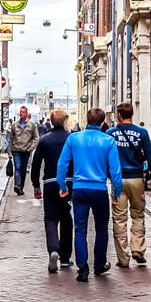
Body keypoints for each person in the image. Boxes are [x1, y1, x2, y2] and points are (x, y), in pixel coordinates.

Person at [57, 107, 122, 282]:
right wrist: (116, 192)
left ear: (86, 120)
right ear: (102, 123)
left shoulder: (74, 138)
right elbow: (115, 171)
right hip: (99, 190)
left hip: (79, 189)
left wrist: (62, 185)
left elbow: (62, 164)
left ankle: (83, 269)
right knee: (101, 229)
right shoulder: (108, 141)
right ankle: (99, 265)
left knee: (80, 230)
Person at [106, 101, 151, 268]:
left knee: (119, 219)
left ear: (119, 115)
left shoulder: (110, 134)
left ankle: (123, 258)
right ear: (131, 114)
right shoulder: (141, 133)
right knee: (138, 215)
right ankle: (138, 250)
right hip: (136, 179)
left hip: (118, 180)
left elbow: (105, 158)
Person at [31, 109, 73, 273]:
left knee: (50, 219)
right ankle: (65, 257)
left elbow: (36, 164)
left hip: (49, 183)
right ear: (64, 122)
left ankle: (53, 249)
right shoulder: (71, 139)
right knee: (67, 219)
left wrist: (35, 185)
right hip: (69, 183)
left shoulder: (44, 140)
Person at [5, 105, 40, 194]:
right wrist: (10, 150)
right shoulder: (14, 124)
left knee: (23, 169)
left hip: (26, 151)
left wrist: (31, 148)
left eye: (23, 112)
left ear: (26, 113)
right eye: (20, 112)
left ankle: (21, 187)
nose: (21, 113)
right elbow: (11, 138)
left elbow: (36, 138)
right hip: (16, 150)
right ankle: (17, 185)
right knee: (18, 167)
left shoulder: (32, 125)